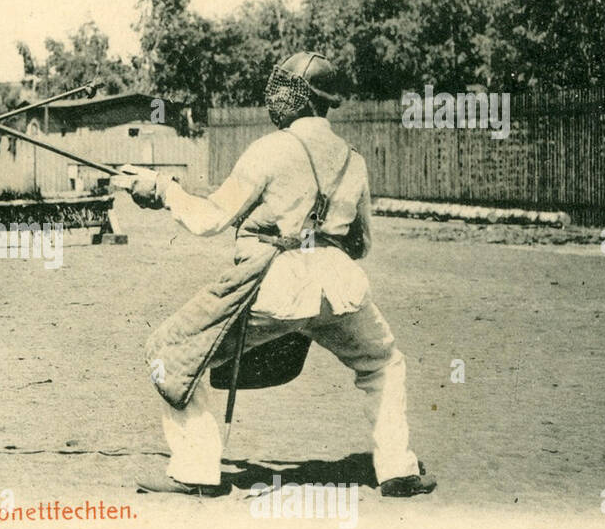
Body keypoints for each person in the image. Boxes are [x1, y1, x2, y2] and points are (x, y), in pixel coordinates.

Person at [114, 52, 436, 498]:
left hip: (277, 287)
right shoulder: (353, 160)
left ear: (300, 98)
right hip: (341, 291)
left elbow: (209, 219)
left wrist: (163, 190)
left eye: (284, 88)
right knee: (384, 362)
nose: (275, 97)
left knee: (173, 353)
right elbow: (361, 245)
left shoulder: (270, 148)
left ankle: (194, 472)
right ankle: (399, 469)